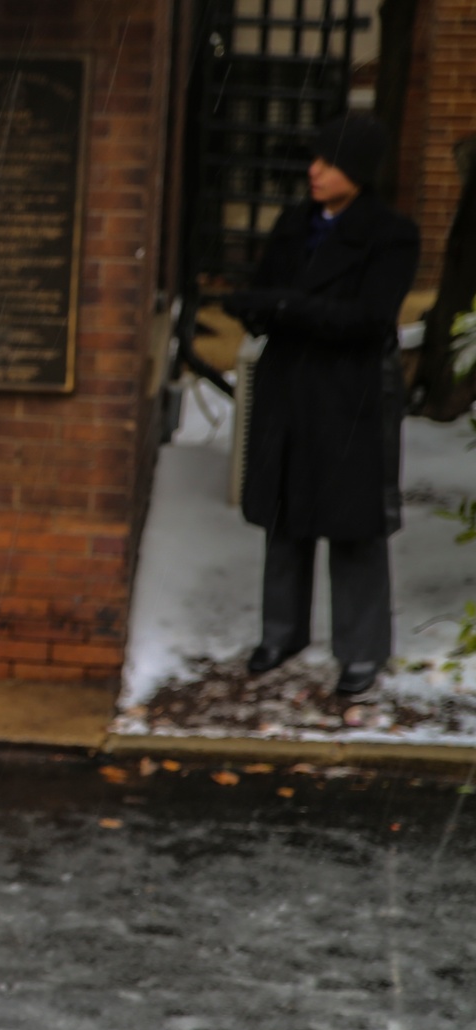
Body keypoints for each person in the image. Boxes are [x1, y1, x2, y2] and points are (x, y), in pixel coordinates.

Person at [223, 112, 419, 697]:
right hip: (290, 386)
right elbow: (265, 294)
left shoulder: (390, 233)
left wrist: (287, 308)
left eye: (328, 162)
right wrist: (264, 308)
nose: (314, 171)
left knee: (353, 521)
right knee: (285, 511)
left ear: (356, 172)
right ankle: (281, 631)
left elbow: (370, 318)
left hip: (349, 392)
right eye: (315, 159)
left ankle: (362, 649)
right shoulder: (295, 224)